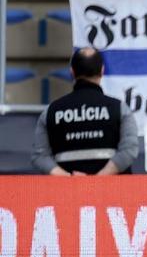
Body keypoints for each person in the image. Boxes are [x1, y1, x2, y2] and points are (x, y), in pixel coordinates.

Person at [31, 47, 139, 175]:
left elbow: (40, 157)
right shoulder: (120, 108)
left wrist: (69, 178)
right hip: (113, 192)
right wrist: (97, 179)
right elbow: (129, 150)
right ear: (102, 70)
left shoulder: (50, 112)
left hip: (66, 193)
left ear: (72, 72)